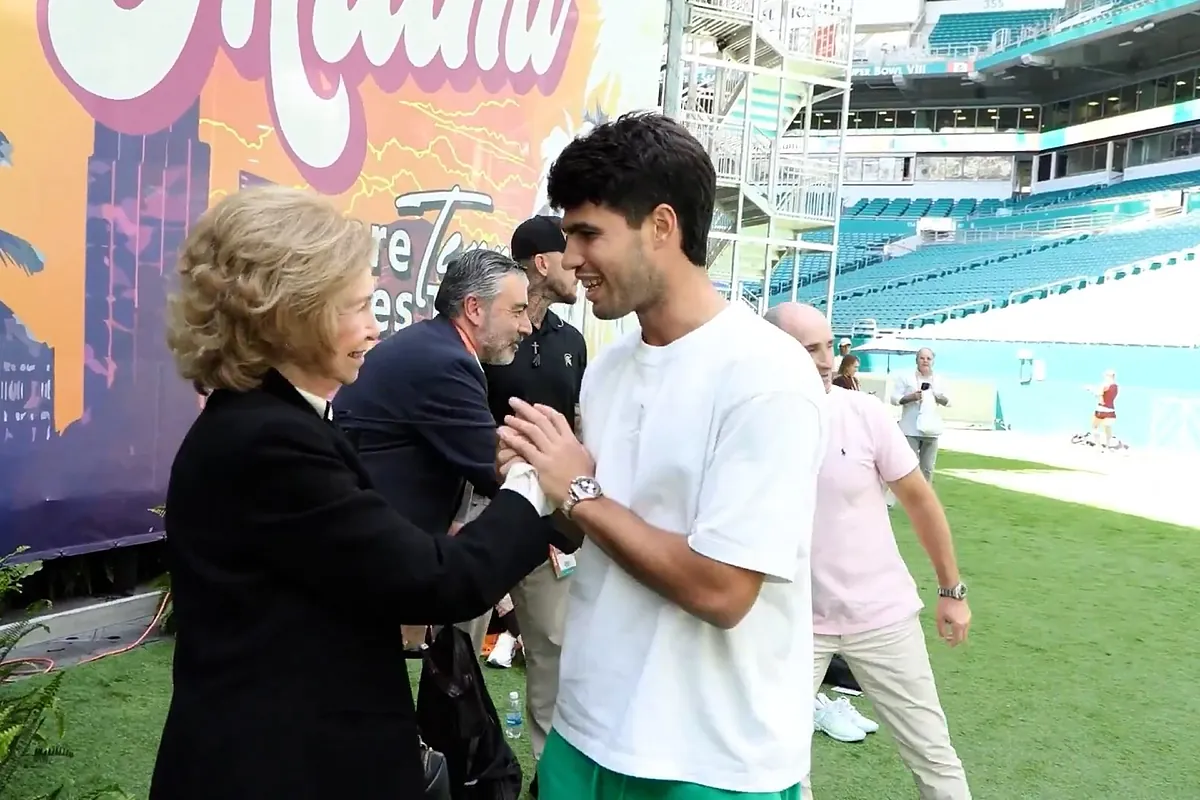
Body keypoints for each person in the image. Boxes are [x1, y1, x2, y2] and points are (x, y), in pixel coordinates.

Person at [149, 186, 565, 800]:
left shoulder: (276, 422)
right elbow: (438, 582)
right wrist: (538, 482)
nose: (375, 330)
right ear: (289, 316)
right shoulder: (270, 441)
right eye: (357, 308)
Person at [497, 112, 828, 800]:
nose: (572, 259)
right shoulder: (610, 367)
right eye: (567, 237)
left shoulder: (767, 373)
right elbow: (597, 529)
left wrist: (580, 489)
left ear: (662, 227)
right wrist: (543, 484)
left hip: (709, 759)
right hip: (586, 731)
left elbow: (723, 590)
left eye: (589, 234)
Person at [766, 303, 973, 800]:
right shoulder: (747, 418)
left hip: (882, 615)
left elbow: (921, 502)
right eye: (808, 348)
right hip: (790, 624)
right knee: (780, 766)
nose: (825, 361)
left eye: (829, 347)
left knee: (932, 753)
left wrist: (952, 590)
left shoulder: (863, 413)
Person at [334, 248, 534, 653]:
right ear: (474, 308)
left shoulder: (435, 347)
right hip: (373, 560)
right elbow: (492, 465)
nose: (527, 326)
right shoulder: (445, 361)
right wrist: (564, 477)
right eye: (517, 311)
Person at [481, 215, 588, 790]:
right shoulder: (487, 337)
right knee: (457, 650)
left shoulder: (573, 342)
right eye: (566, 254)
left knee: (553, 650)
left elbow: (576, 427)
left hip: (551, 526)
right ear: (540, 263)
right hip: (482, 515)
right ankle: (456, 762)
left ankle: (549, 779)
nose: (578, 265)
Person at [891, 347, 949, 483]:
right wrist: (912, 397)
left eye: (928, 358)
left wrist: (938, 397)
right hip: (910, 429)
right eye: (922, 358)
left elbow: (949, 401)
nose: (925, 361)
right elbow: (894, 399)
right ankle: (899, 497)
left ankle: (923, 501)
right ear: (916, 360)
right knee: (907, 468)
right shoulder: (906, 377)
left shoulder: (939, 380)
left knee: (927, 469)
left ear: (933, 361)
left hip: (931, 431)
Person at [1088, 369, 1118, 447]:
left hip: (1101, 409)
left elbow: (1100, 397)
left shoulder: (1105, 385)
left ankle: (1098, 445)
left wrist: (1091, 391)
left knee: (1094, 426)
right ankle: (1108, 445)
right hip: (1111, 410)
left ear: (1107, 376)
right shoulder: (1116, 386)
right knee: (1107, 428)